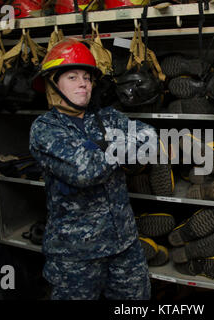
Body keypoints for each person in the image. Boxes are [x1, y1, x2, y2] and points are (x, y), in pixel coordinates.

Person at [29, 38, 156, 300]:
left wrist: (108, 151)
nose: (83, 83)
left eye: (87, 77)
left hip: (124, 247)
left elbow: (149, 136)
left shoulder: (107, 117)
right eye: (73, 77)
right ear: (53, 83)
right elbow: (84, 170)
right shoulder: (45, 129)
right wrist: (122, 148)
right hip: (75, 258)